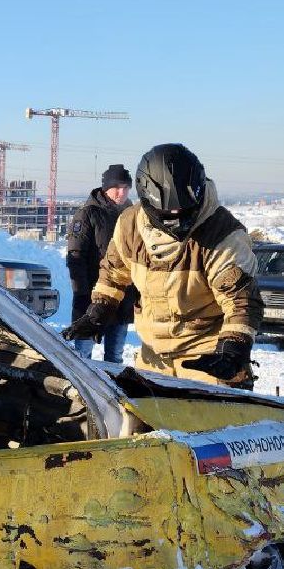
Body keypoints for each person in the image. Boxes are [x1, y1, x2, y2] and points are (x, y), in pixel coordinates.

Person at [63, 144, 263, 388]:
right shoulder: (130, 225)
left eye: (184, 209)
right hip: (153, 357)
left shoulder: (223, 234)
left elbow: (240, 300)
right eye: (169, 212)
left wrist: (234, 347)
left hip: (207, 355)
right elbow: (114, 272)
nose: (177, 216)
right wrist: (100, 310)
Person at [65, 164, 136, 365]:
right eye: (117, 187)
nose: (122, 193)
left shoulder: (131, 215)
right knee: (83, 358)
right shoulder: (88, 214)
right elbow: (75, 258)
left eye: (126, 187)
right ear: (106, 188)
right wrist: (82, 295)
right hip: (92, 298)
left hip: (122, 300)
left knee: (114, 358)